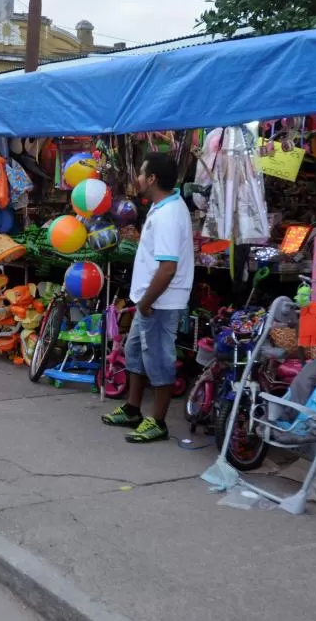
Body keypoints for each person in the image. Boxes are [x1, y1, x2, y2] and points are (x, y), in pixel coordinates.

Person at [101, 153, 194, 443]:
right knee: (136, 354)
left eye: (141, 173)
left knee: (159, 359)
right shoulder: (162, 206)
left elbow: (168, 268)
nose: (137, 178)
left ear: (152, 179)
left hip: (159, 302)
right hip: (150, 300)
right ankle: (133, 409)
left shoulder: (168, 215)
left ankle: (158, 422)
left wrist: (146, 301)